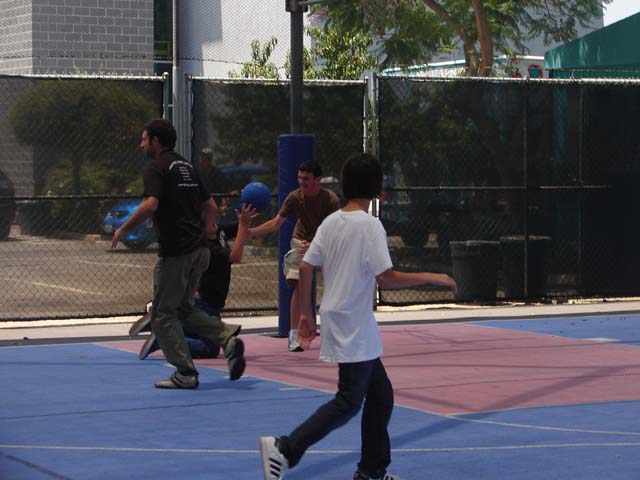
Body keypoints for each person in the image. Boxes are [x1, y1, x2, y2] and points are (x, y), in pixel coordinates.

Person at [259, 153, 458, 480]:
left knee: (381, 396)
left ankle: (371, 472)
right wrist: (434, 277)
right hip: (352, 322)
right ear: (378, 188)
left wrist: (306, 314)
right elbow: (386, 278)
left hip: (344, 318)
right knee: (348, 402)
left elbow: (306, 266)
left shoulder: (331, 222)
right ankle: (285, 448)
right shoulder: (370, 226)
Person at [112, 118, 244, 389]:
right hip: (200, 251)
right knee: (183, 308)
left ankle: (185, 372)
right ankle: (227, 336)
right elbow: (210, 205)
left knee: (162, 315)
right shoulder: (187, 167)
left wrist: (123, 228)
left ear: (156, 141)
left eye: (144, 139)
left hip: (176, 252)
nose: (141, 145)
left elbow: (150, 204)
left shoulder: (156, 168)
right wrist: (207, 229)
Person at [136, 203, 255, 368]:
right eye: (209, 219)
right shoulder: (207, 247)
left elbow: (242, 229)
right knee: (210, 348)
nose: (214, 220)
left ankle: (162, 327)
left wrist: (251, 218)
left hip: (213, 302)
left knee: (194, 328)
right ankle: (163, 337)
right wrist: (243, 225)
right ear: (199, 228)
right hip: (204, 302)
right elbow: (235, 256)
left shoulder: (218, 231)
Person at [248, 160, 340, 351]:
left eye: (306, 178)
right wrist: (249, 232)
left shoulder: (330, 200)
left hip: (323, 243)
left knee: (336, 284)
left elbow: (334, 232)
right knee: (299, 285)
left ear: (317, 180)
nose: (301, 182)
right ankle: (293, 335)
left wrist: (316, 246)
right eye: (299, 178)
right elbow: (276, 223)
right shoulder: (294, 197)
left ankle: (336, 331)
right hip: (301, 242)